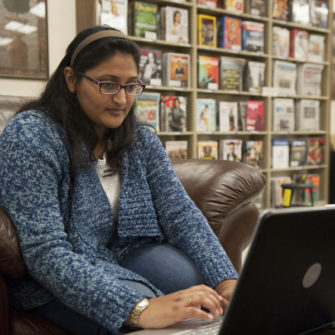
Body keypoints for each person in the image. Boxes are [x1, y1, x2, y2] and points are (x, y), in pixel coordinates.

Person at [0, 26, 237, 334]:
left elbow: (180, 213)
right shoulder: (31, 136)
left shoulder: (140, 140)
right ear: (72, 79)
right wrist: (138, 308)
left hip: (128, 250)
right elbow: (46, 252)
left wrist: (227, 279)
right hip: (60, 272)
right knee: (146, 312)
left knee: (202, 291)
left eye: (130, 86)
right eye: (108, 85)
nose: (122, 100)